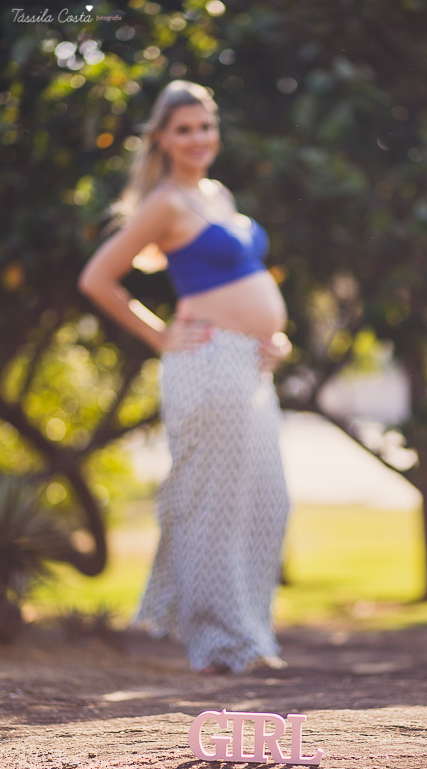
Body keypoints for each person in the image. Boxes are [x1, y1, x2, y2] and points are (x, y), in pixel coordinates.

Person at [78, 80, 291, 675]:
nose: (198, 138)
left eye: (205, 126)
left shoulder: (217, 193)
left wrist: (273, 336)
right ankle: (222, 645)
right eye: (184, 130)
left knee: (269, 502)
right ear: (162, 140)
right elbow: (98, 278)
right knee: (214, 505)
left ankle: (251, 633)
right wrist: (160, 335)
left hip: (248, 365)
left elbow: (244, 280)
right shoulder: (166, 203)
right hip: (207, 364)